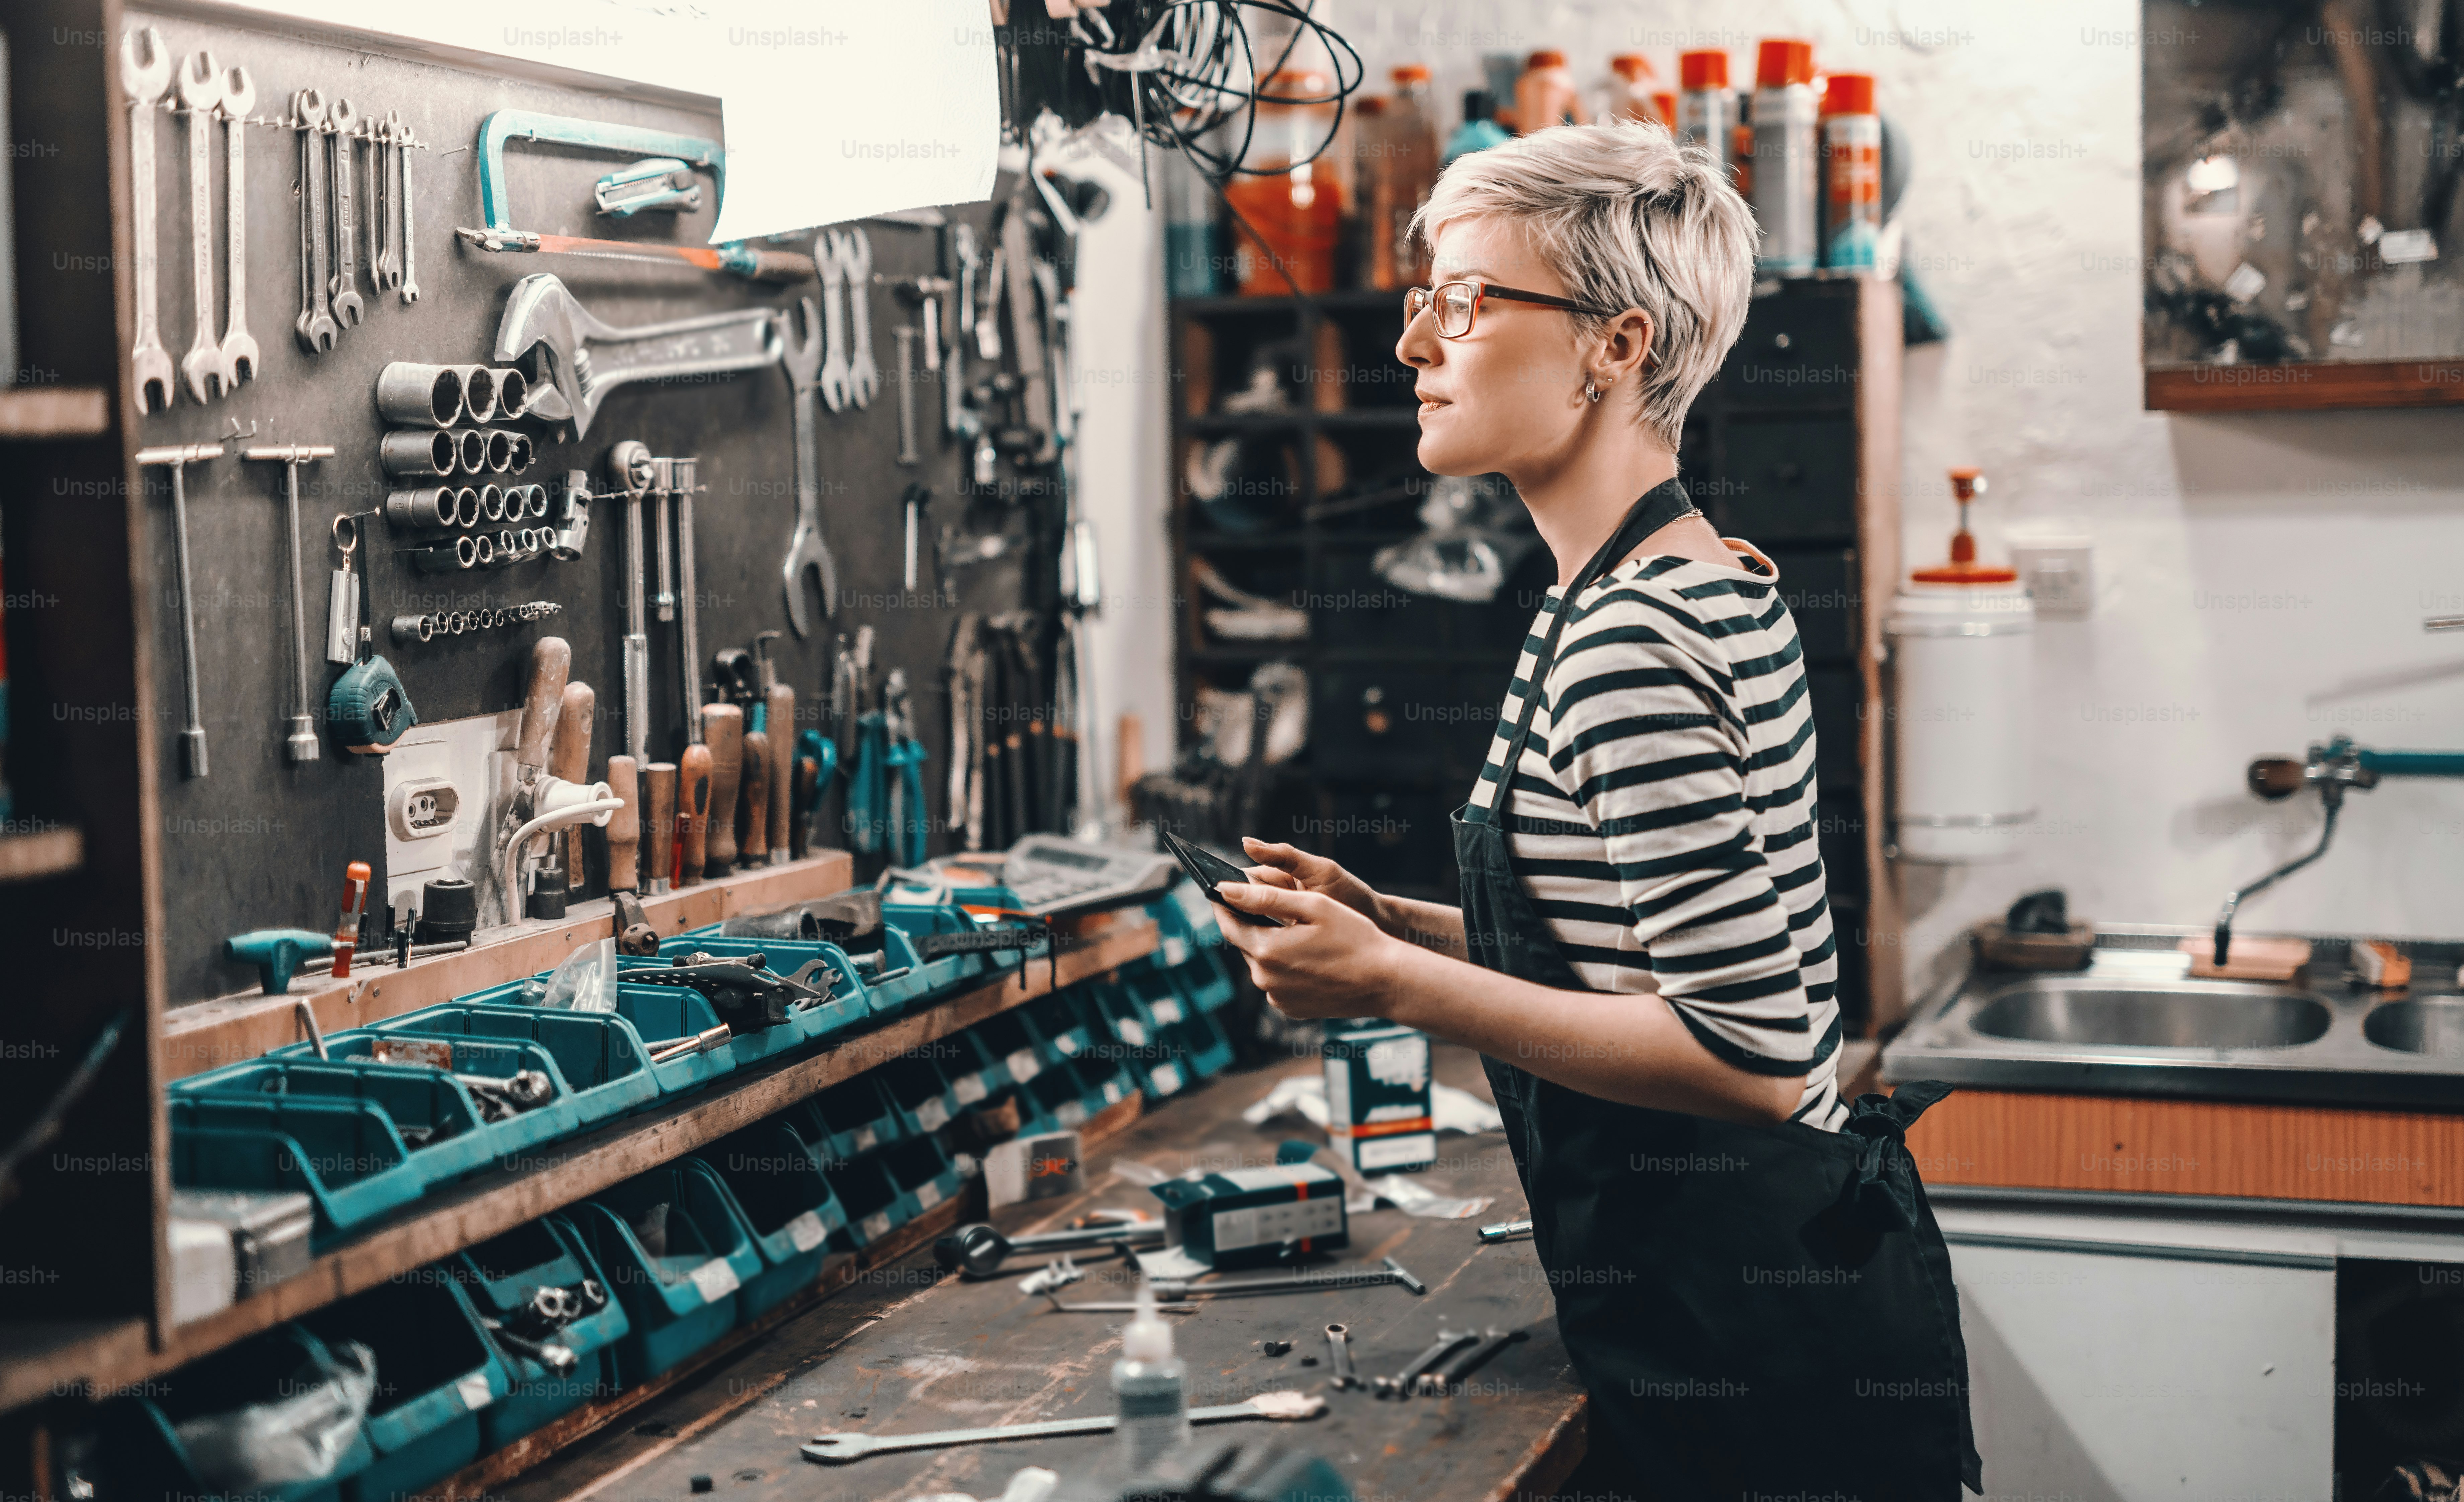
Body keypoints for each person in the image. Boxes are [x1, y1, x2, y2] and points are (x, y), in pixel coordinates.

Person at [1207, 120, 1982, 1499]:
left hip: (1748, 1353)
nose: (1412, 347)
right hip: (1753, 1287)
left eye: (1465, 302)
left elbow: (1744, 1051)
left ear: (1614, 346)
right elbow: (1630, 932)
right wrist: (1397, 924)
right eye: (1419, 303)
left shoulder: (1633, 636)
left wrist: (1389, 983)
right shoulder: (1658, 583)